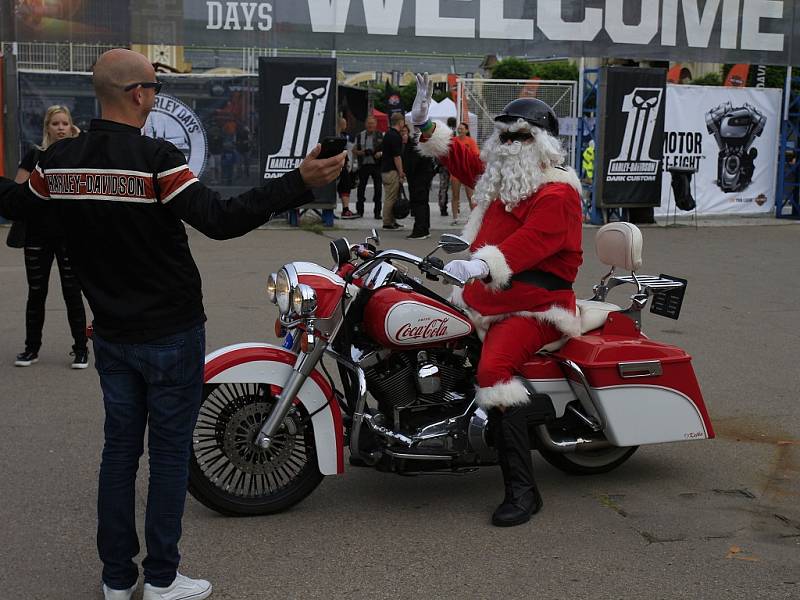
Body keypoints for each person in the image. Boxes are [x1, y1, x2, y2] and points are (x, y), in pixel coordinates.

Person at [0, 48, 345, 600]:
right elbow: (222, 220)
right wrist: (298, 181)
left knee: (118, 455)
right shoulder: (157, 158)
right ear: (138, 94)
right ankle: (160, 579)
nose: (157, 96)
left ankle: (117, 581)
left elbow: (19, 201)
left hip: (110, 334)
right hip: (171, 333)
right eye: (155, 88)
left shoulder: (56, 161)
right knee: (166, 458)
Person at [411, 73, 583, 528]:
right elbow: (463, 157)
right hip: (483, 298)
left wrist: (482, 264)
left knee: (494, 371)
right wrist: (425, 124)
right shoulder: (505, 178)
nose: (507, 143)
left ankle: (524, 491)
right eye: (503, 135)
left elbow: (532, 242)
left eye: (518, 135)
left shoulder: (559, 193)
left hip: (536, 305)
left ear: (541, 142)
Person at [11, 105, 89, 369]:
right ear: (47, 127)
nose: (60, 128)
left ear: (71, 126)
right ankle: (31, 349)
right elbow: (19, 193)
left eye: (64, 123)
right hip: (37, 235)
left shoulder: (79, 154)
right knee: (36, 292)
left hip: (71, 236)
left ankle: (81, 350)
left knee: (73, 293)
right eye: (55, 124)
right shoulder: (34, 155)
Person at [403, 124, 436, 240]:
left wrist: (407, 172)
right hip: (424, 177)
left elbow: (412, 162)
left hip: (418, 178)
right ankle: (424, 228)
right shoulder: (425, 142)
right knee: (423, 203)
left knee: (418, 203)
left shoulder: (416, 142)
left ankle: (420, 230)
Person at [380, 112, 406, 230]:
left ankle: (392, 220)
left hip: (385, 169)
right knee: (391, 197)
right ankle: (387, 221)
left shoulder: (388, 134)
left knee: (393, 196)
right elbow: (397, 156)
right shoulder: (395, 136)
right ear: (400, 122)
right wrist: (401, 171)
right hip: (391, 170)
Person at [354, 115, 383, 218]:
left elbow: (385, 150)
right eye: (369, 123)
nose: (370, 125)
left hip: (376, 165)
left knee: (378, 189)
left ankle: (377, 212)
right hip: (364, 165)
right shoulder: (359, 136)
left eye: (372, 123)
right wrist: (363, 152)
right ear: (366, 124)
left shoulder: (380, 135)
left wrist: (379, 153)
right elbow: (354, 151)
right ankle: (359, 211)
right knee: (361, 189)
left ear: (375, 125)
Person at [450, 121, 478, 224]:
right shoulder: (453, 141)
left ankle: (473, 217)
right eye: (459, 128)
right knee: (455, 195)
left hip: (467, 172)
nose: (460, 130)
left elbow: (475, 155)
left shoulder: (470, 142)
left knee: (471, 196)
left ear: (466, 130)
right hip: (456, 173)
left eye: (462, 128)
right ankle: (455, 218)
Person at [336, 116, 358, 219]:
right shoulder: (338, 136)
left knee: (344, 185)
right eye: (343, 124)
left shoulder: (344, 135)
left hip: (343, 162)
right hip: (339, 164)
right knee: (345, 185)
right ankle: (345, 209)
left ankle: (345, 208)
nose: (345, 126)